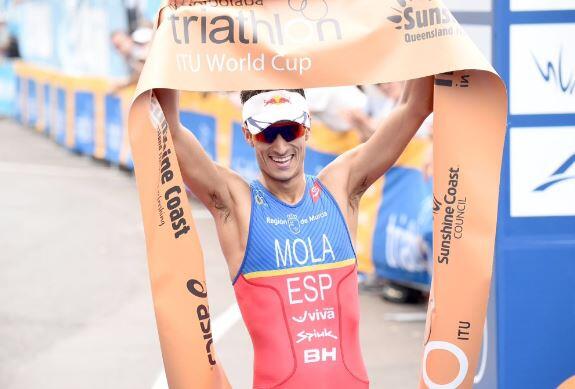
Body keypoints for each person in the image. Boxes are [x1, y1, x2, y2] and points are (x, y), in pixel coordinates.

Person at [154, 75, 433, 387]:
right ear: (248, 134)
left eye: (291, 130)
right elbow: (169, 130)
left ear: (308, 128)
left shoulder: (341, 188)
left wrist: (428, 30)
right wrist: (168, 37)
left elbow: (414, 107)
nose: (281, 145)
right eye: (267, 133)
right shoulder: (237, 206)